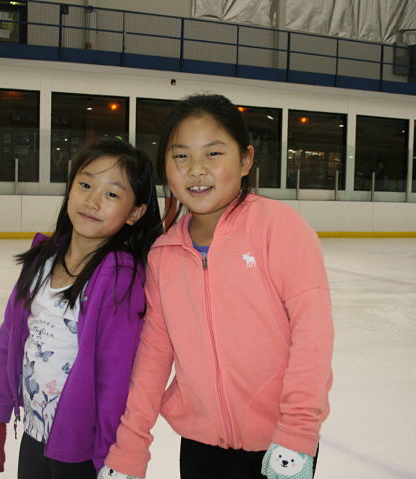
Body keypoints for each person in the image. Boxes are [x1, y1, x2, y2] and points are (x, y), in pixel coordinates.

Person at [98, 95, 334, 479]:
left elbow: (313, 337)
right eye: (181, 157)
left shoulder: (279, 228)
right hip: (200, 444)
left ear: (245, 160)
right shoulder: (164, 255)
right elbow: (154, 357)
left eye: (213, 154)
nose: (195, 171)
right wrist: (130, 446)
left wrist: (297, 431)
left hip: (278, 442)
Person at [0, 137, 163, 479]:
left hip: (82, 447)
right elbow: (11, 339)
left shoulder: (120, 277)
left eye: (112, 194)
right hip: (34, 433)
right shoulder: (41, 259)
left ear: (135, 212)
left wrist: (112, 455)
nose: (93, 201)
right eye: (85, 184)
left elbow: (116, 376)